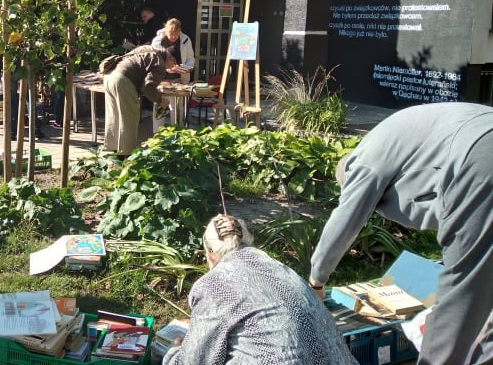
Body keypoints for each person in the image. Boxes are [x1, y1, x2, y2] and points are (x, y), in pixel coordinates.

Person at [309, 102, 493, 365]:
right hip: (480, 145)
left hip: (481, 155)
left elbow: (345, 220)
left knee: (461, 295)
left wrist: (316, 280)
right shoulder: (408, 146)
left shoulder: (364, 161)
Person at [163, 214, 357, 365]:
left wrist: (173, 351)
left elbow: (195, 360)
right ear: (249, 241)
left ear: (209, 255)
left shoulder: (212, 285)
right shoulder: (284, 271)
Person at [103, 45, 174, 156]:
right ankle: (125, 156)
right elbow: (147, 87)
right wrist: (160, 100)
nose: (171, 68)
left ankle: (112, 151)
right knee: (129, 119)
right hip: (123, 81)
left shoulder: (147, 49)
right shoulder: (160, 63)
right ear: (170, 58)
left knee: (114, 117)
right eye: (173, 65)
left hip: (109, 77)